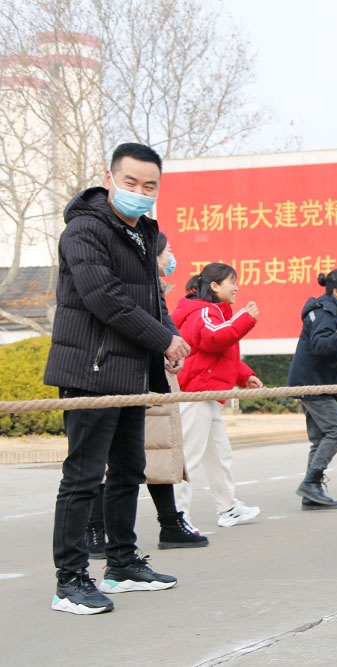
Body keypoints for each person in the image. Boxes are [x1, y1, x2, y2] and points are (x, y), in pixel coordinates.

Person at [45, 143, 188, 615]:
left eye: (150, 185)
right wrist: (162, 339)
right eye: (131, 182)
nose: (139, 192)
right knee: (83, 478)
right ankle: (69, 580)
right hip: (91, 371)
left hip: (131, 372)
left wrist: (169, 340)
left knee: (129, 471)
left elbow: (153, 300)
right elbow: (104, 298)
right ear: (110, 179)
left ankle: (122, 564)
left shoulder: (145, 231)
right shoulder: (84, 229)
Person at [86, 232, 207, 557]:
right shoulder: (115, 274)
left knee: (156, 451)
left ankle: (169, 522)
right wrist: (164, 342)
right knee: (105, 457)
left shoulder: (155, 285)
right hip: (116, 373)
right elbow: (124, 316)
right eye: (168, 252)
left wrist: (173, 346)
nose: (171, 258)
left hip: (152, 376)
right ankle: (95, 528)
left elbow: (162, 319)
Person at [172, 262, 262, 529]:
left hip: (206, 393)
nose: (236, 288)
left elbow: (222, 355)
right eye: (232, 282)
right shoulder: (202, 312)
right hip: (196, 394)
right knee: (188, 458)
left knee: (219, 455)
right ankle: (177, 516)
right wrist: (244, 318)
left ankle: (228, 508)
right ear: (214, 286)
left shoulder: (211, 311)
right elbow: (214, 339)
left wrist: (244, 376)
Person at [287, 268, 337, 510]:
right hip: (312, 384)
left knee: (320, 438)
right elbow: (320, 344)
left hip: (319, 382)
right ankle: (310, 483)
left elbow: (330, 347)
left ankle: (312, 494)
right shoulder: (324, 312)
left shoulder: (335, 310)